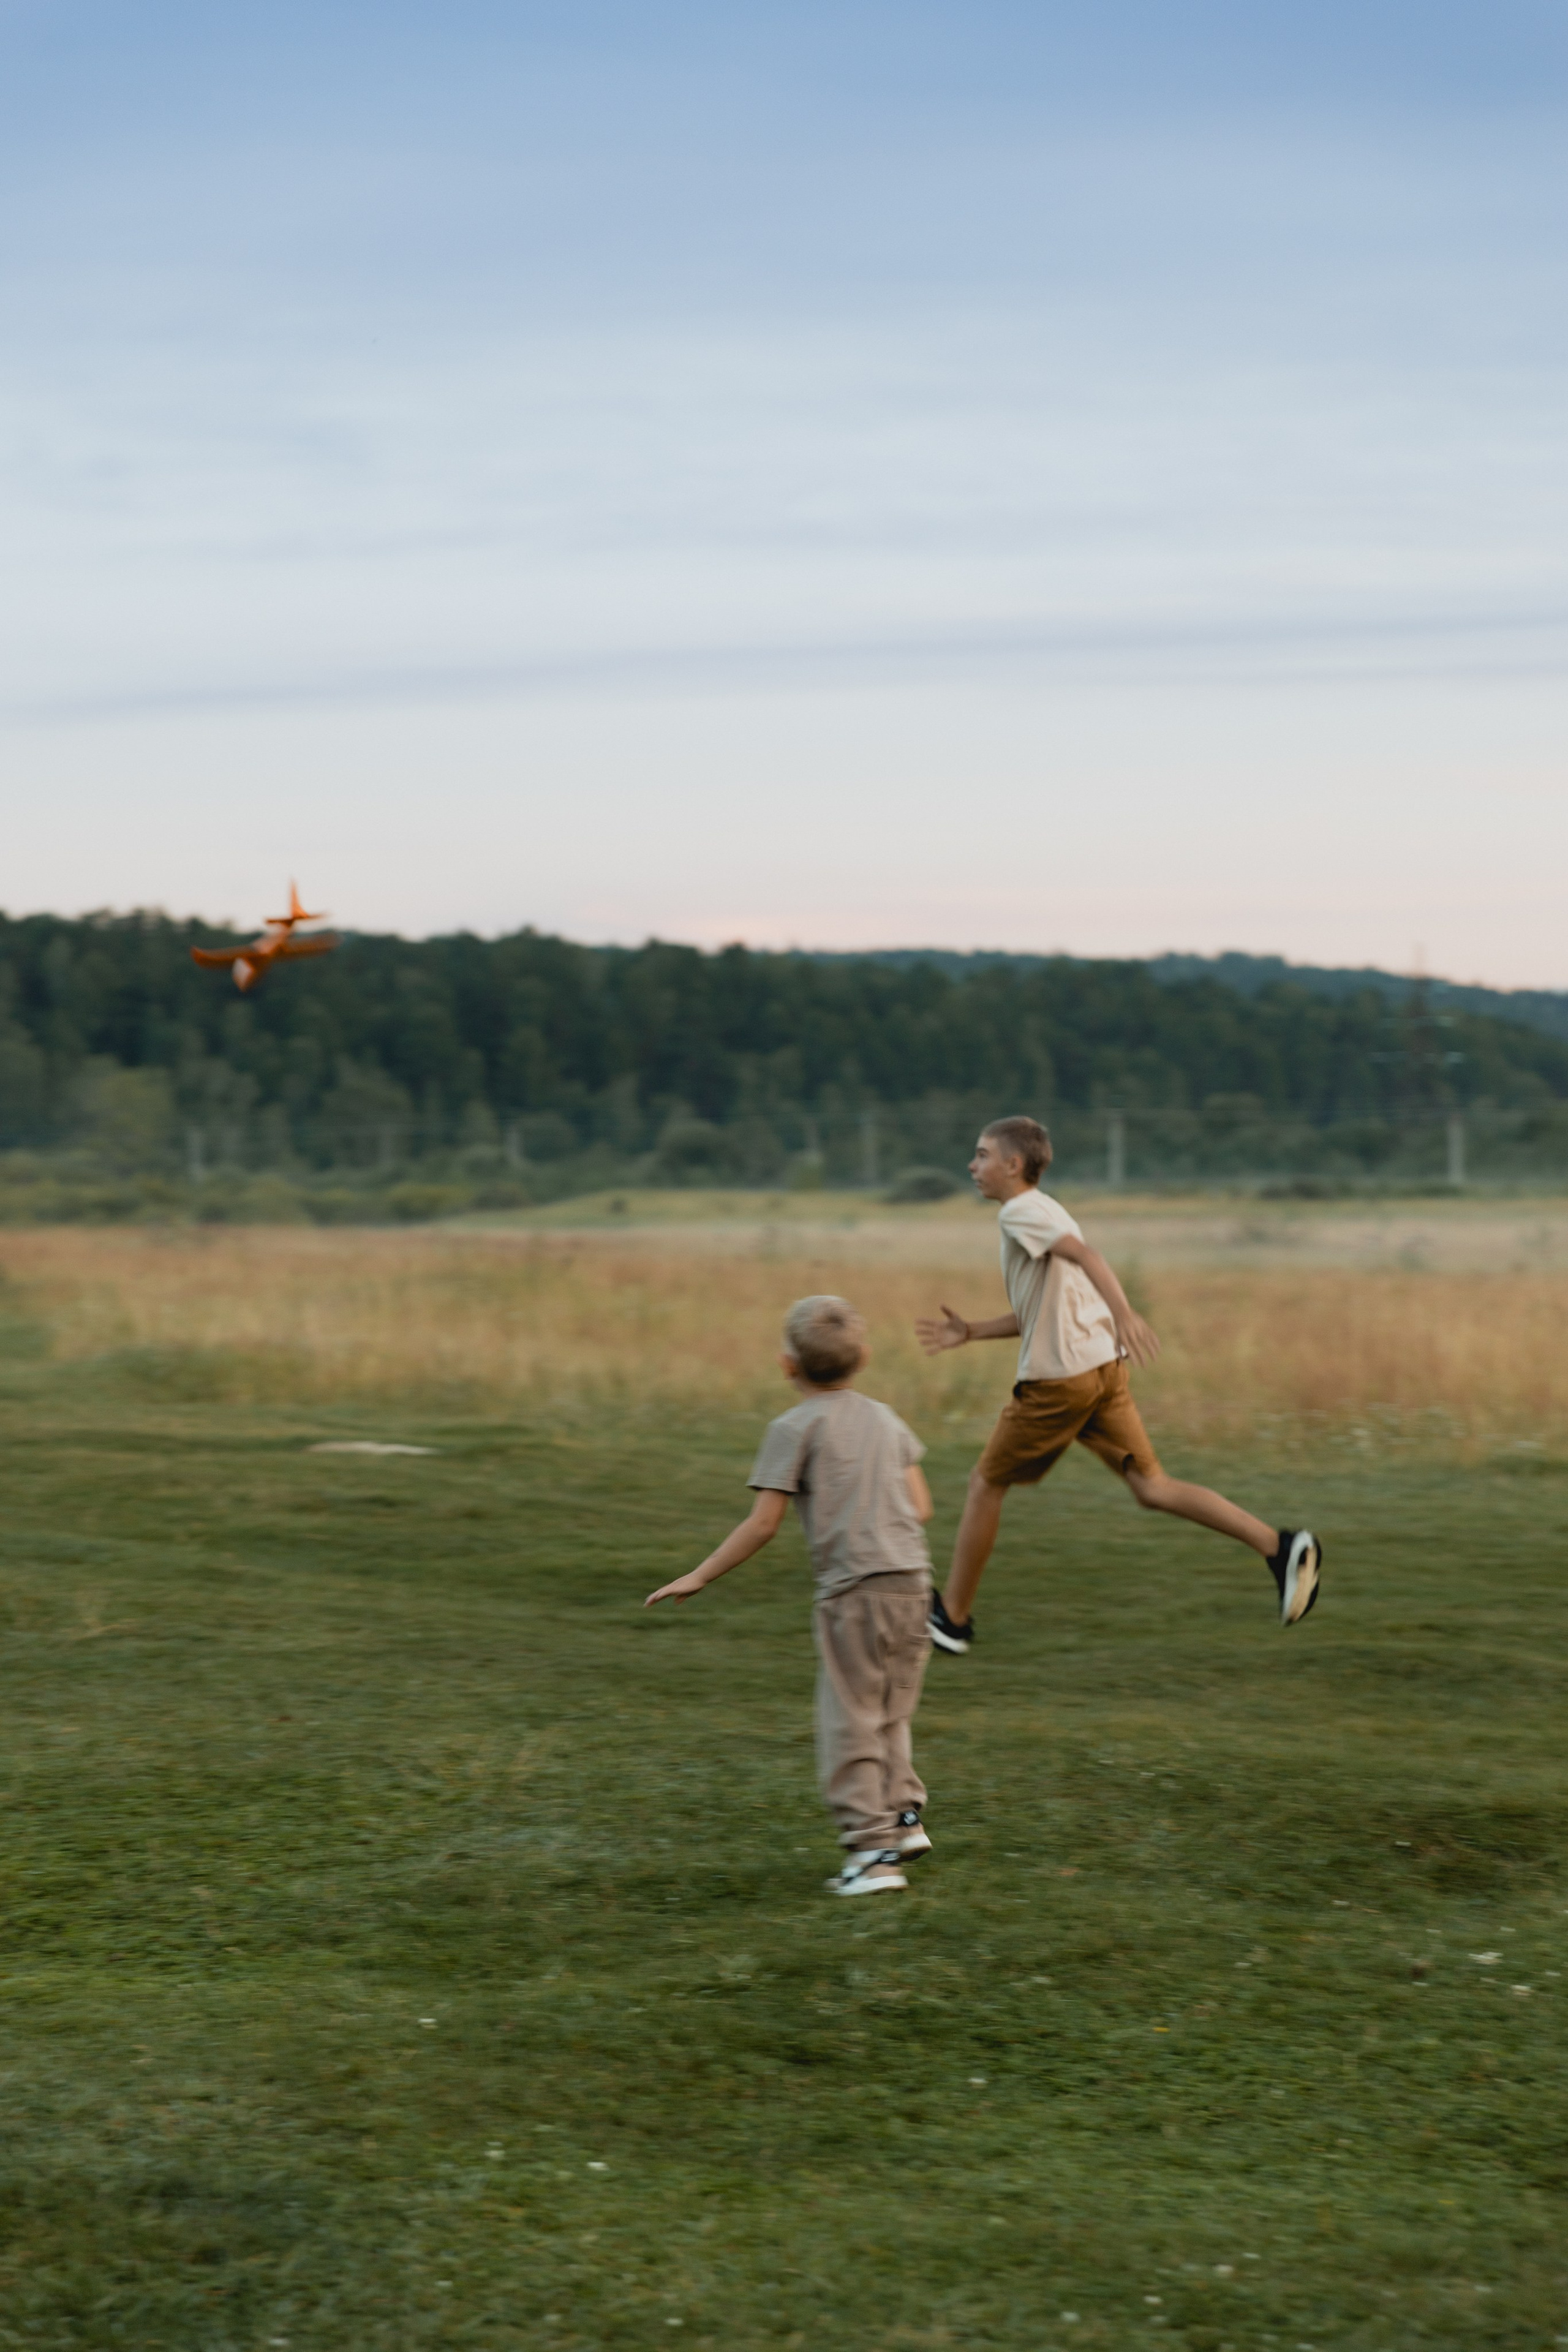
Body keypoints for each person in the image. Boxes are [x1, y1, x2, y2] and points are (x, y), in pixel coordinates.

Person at [916, 1114, 1321, 1654]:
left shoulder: (1019, 1212)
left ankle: (952, 1619)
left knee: (985, 1484)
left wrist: (1126, 1313)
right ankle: (1280, 1547)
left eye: (983, 1155)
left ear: (1013, 1165)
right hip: (1102, 1370)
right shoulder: (1049, 1211)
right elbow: (1042, 1310)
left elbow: (1089, 1258)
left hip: (1060, 1383)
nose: (972, 1165)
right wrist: (971, 1331)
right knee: (1152, 1487)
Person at [645, 1294, 936, 1896]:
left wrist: (700, 1575)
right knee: (891, 1710)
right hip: (913, 1584)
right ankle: (904, 1819)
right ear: (864, 1357)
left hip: (854, 1592)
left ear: (787, 1365)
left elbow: (762, 1525)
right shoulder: (887, 1419)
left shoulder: (792, 1428)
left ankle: (872, 1854)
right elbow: (921, 1507)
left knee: (850, 1719)